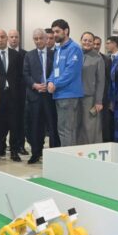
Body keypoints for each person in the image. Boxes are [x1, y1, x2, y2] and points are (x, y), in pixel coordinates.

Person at [23, 28, 59, 164]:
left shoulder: (54, 54)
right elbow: (25, 74)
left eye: (40, 38)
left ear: (46, 39)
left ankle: (54, 154)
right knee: (35, 126)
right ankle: (36, 153)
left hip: (50, 96)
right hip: (35, 96)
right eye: (35, 39)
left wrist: (50, 83)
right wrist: (35, 85)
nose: (38, 41)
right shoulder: (29, 55)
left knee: (52, 126)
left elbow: (57, 71)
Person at [47, 19, 83, 147]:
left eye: (57, 31)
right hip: (59, 94)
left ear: (66, 31)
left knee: (67, 130)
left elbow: (71, 72)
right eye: (53, 32)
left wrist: (55, 84)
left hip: (69, 94)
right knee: (61, 129)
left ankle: (69, 156)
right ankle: (65, 155)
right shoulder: (58, 49)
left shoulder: (74, 48)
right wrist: (50, 81)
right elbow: (55, 69)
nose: (55, 34)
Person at [0, 29, 24, 162]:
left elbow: (21, 76)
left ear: (7, 38)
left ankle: (14, 151)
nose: (0, 40)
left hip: (14, 96)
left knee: (14, 124)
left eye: (3, 37)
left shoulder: (16, 55)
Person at [76, 32, 105, 145]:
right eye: (85, 40)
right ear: (81, 40)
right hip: (74, 96)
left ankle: (91, 151)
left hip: (89, 98)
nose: (87, 42)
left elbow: (101, 81)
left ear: (93, 43)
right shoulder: (75, 54)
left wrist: (98, 101)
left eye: (90, 41)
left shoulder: (98, 58)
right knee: (76, 127)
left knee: (90, 127)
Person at [7, 28, 28, 156]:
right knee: (5, 121)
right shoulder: (3, 53)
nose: (14, 39)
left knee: (20, 121)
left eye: (16, 37)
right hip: (6, 93)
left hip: (20, 93)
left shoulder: (25, 54)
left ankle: (20, 145)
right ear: (8, 39)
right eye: (12, 37)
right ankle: (2, 146)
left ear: (19, 39)